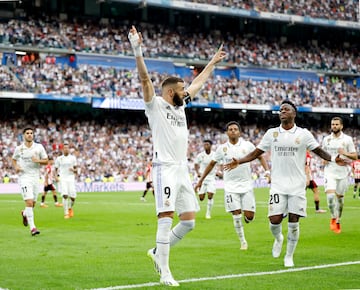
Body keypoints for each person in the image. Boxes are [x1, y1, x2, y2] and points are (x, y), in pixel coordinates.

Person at [128, 25, 226, 286]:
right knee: (165, 217)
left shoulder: (181, 105)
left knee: (189, 222)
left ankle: (157, 252)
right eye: (182, 90)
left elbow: (198, 82)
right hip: (164, 168)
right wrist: (137, 50)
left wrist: (212, 62)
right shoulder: (156, 105)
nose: (187, 92)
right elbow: (145, 81)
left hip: (182, 168)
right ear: (171, 92)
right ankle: (165, 271)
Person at [223, 100, 345, 267]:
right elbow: (257, 153)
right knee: (274, 220)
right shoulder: (272, 133)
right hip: (278, 185)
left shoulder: (303, 134)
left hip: (297, 185)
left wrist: (332, 158)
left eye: (286, 109)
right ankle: (278, 238)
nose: (282, 111)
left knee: (294, 221)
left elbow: (318, 150)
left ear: (294, 114)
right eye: (280, 110)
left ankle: (289, 256)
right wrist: (240, 160)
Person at [195, 121, 270, 250]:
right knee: (236, 214)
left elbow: (260, 157)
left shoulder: (248, 145)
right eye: (230, 129)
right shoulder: (222, 149)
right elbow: (212, 164)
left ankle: (247, 218)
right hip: (230, 186)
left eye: (235, 129)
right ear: (227, 133)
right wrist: (201, 179)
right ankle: (243, 241)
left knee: (249, 216)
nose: (233, 131)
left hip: (246, 185)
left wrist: (267, 171)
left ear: (239, 132)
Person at [321, 117, 357, 234]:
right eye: (332, 124)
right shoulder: (326, 139)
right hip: (329, 171)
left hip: (342, 173)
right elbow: (323, 154)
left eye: (336, 124)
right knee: (330, 198)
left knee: (340, 201)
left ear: (341, 126)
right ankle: (332, 217)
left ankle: (338, 220)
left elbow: (355, 156)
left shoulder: (347, 139)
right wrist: (324, 160)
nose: (334, 126)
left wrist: (345, 154)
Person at [12, 125, 48, 236]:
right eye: (27, 133)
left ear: (33, 135)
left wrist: (38, 160)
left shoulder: (39, 147)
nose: (29, 135)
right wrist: (16, 167)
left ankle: (24, 213)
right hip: (24, 177)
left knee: (32, 204)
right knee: (29, 202)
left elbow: (46, 161)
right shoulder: (19, 148)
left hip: (35, 178)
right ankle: (33, 228)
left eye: (31, 133)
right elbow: (14, 160)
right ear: (23, 135)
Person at [194, 139, 217, 219]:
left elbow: (220, 164)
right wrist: (197, 173)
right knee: (201, 198)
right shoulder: (200, 155)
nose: (205, 146)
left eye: (207, 144)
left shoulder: (215, 155)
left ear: (211, 145)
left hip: (211, 177)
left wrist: (219, 171)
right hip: (202, 178)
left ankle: (208, 213)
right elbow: (196, 164)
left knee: (210, 194)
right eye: (204, 144)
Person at [55, 141, 78, 219]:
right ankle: (66, 213)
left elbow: (76, 170)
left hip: (71, 178)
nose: (66, 149)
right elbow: (55, 169)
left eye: (67, 148)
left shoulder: (73, 158)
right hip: (63, 178)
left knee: (73, 197)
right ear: (62, 149)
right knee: (65, 195)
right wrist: (56, 177)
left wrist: (73, 170)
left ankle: (70, 208)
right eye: (65, 148)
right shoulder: (59, 159)